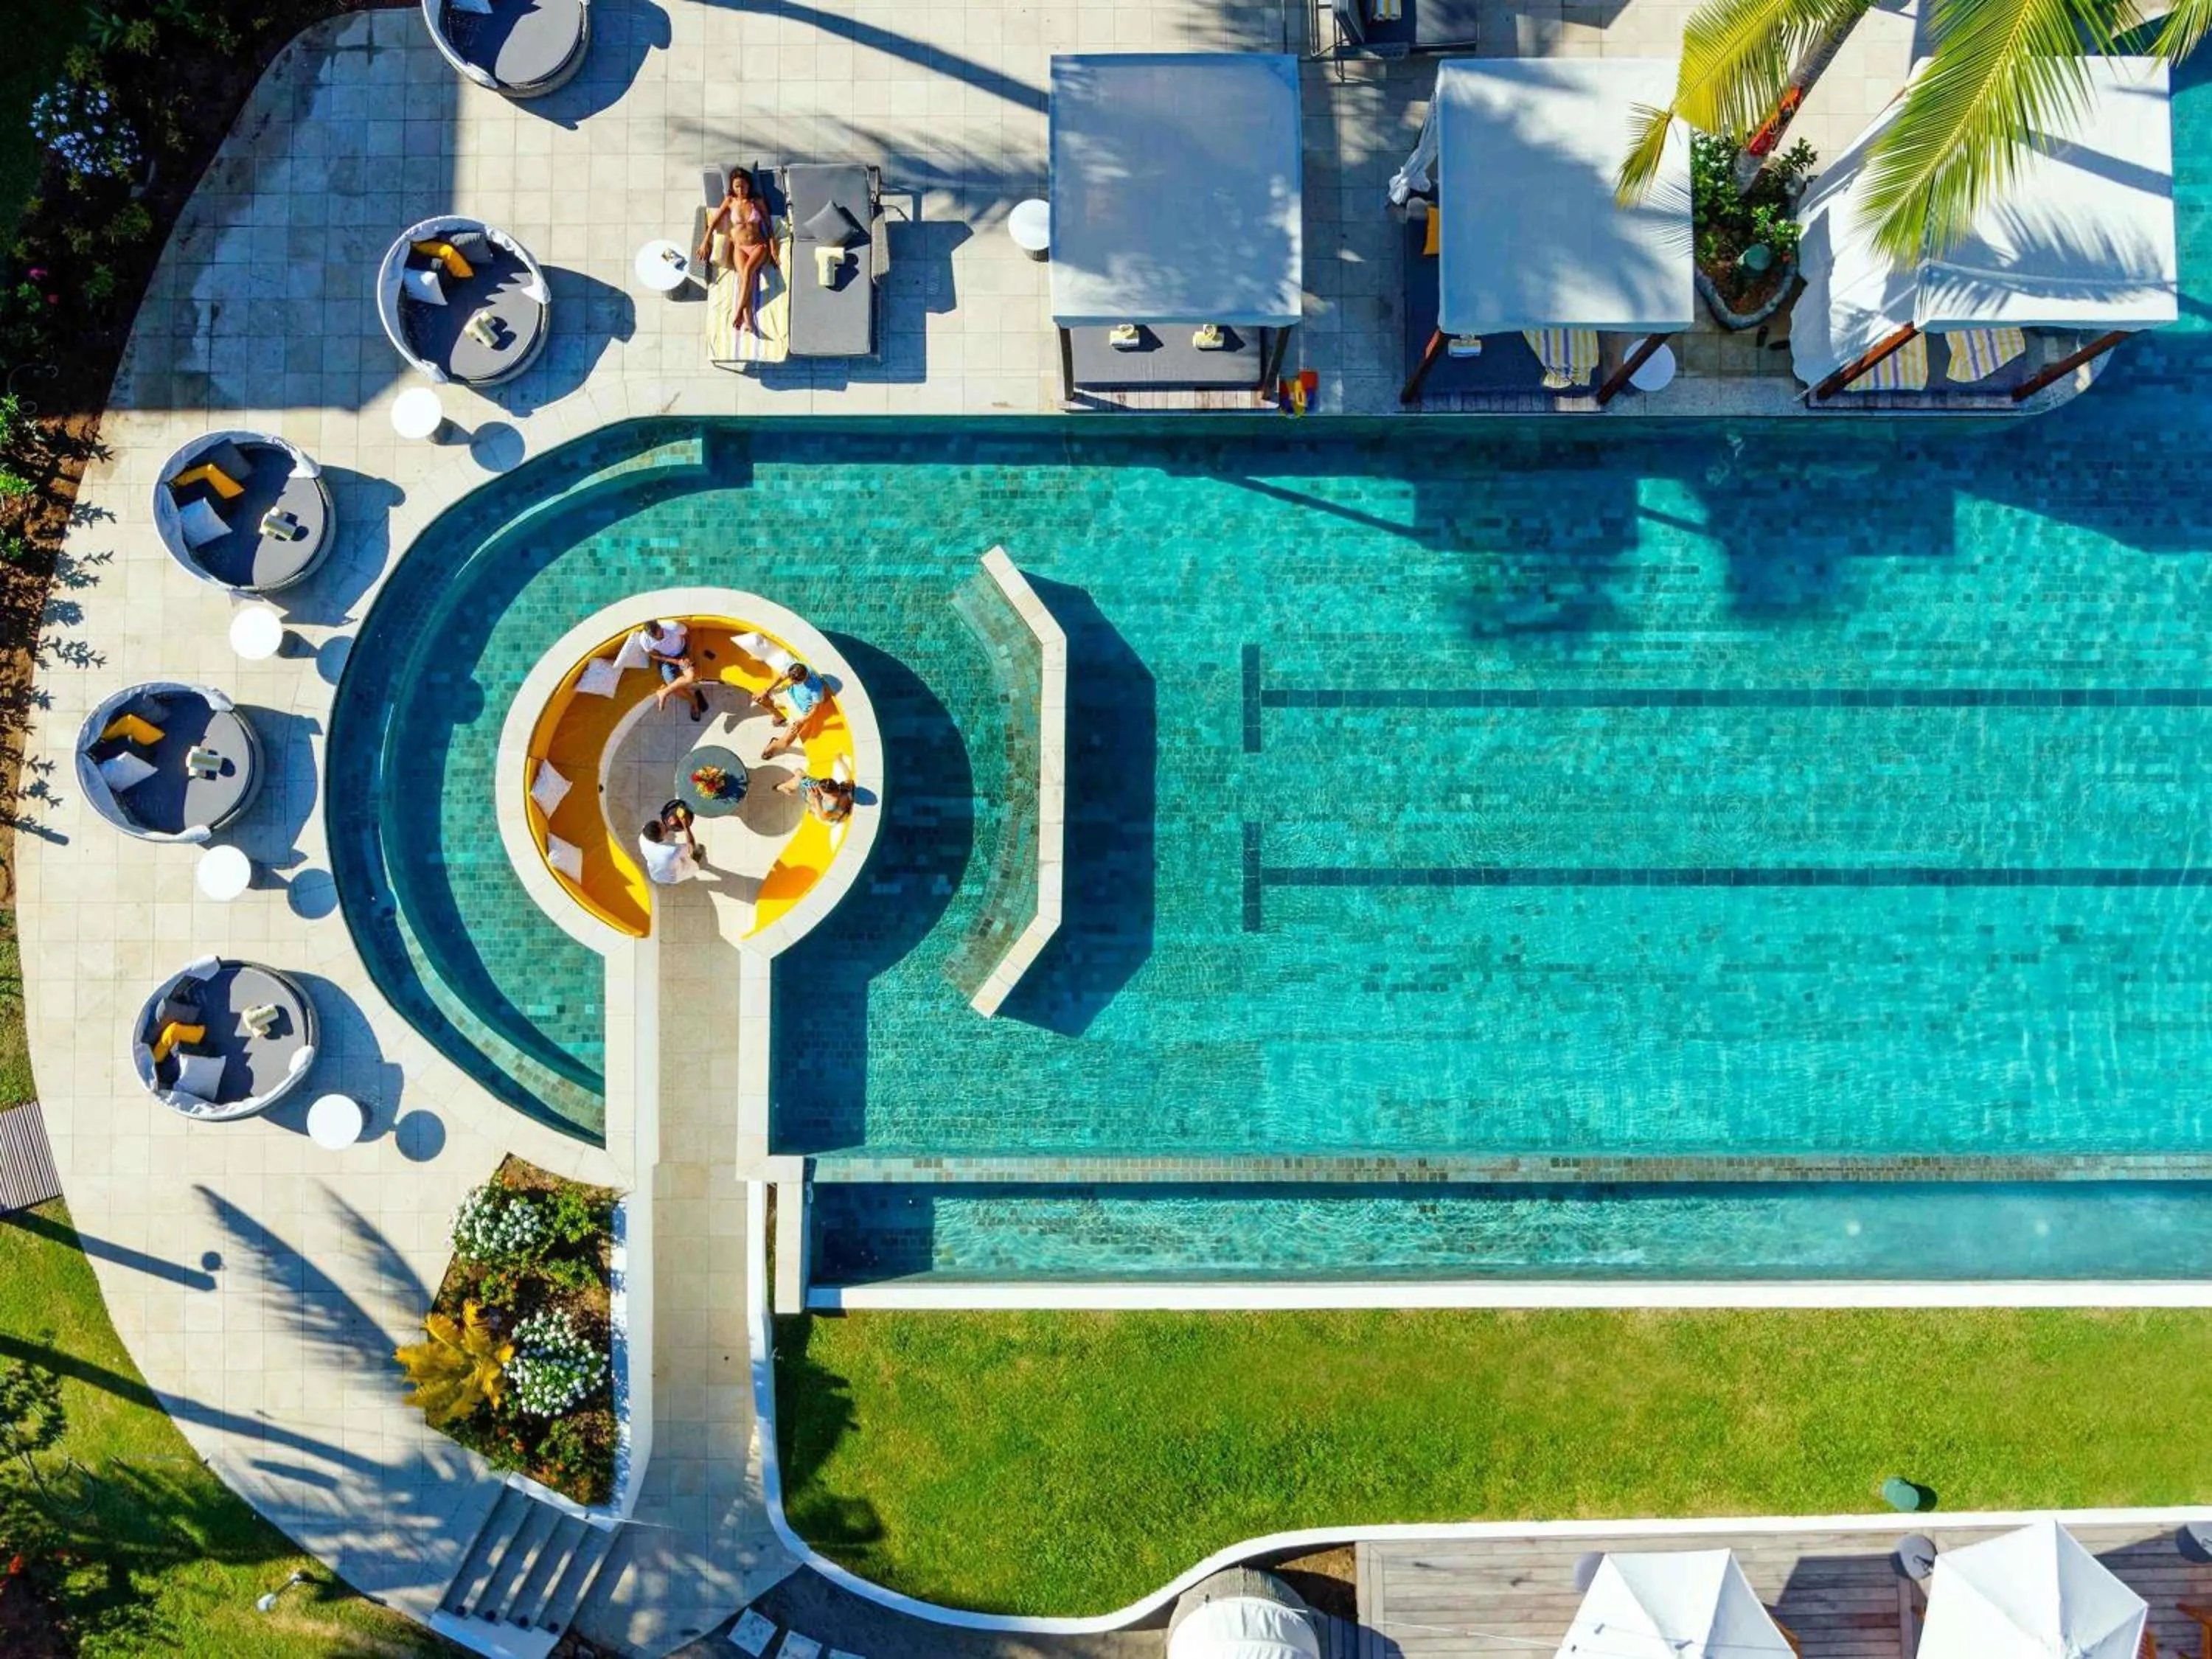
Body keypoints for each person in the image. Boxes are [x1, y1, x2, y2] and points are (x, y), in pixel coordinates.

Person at [696, 166, 778, 338]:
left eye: (743, 186)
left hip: (758, 246)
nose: (740, 190)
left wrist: (773, 249)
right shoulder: (730, 201)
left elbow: (769, 226)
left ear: (749, 185)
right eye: (737, 186)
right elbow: (714, 222)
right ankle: (748, 321)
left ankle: (739, 312)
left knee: (747, 272)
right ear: (732, 187)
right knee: (743, 279)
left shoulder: (757, 202)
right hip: (739, 248)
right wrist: (705, 241)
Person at [636, 619, 707, 720]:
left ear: (660, 626)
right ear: (650, 636)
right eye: (657, 638)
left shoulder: (672, 626)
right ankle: (694, 702)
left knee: (690, 677)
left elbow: (689, 635)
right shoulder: (644, 639)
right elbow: (654, 656)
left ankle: (664, 692)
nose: (660, 638)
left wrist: (688, 655)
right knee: (675, 688)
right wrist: (675, 661)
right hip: (666, 659)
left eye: (661, 634)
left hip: (682, 653)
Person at [755, 661, 824, 759]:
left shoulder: (816, 688)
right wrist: (766, 690)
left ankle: (773, 745)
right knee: (759, 698)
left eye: (795, 682)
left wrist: (802, 721)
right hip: (789, 694)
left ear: (804, 678)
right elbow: (781, 678)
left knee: (785, 743)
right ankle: (779, 716)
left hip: (800, 711)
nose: (792, 682)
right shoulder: (795, 668)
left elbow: (815, 709)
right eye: (791, 679)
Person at [637, 805, 700, 885]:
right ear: (659, 839)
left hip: (655, 874)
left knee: (675, 859)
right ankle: (696, 859)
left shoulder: (644, 836)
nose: (666, 827)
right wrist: (686, 825)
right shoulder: (671, 851)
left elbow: (655, 829)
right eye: (665, 830)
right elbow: (691, 846)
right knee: (693, 856)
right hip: (674, 876)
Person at [776, 770, 854, 824]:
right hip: (823, 800)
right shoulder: (843, 790)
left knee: (800, 778)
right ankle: (787, 785)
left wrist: (815, 799)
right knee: (800, 776)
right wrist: (840, 760)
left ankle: (781, 787)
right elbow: (848, 776)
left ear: (826, 794)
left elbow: (823, 817)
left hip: (818, 806)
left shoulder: (831, 804)